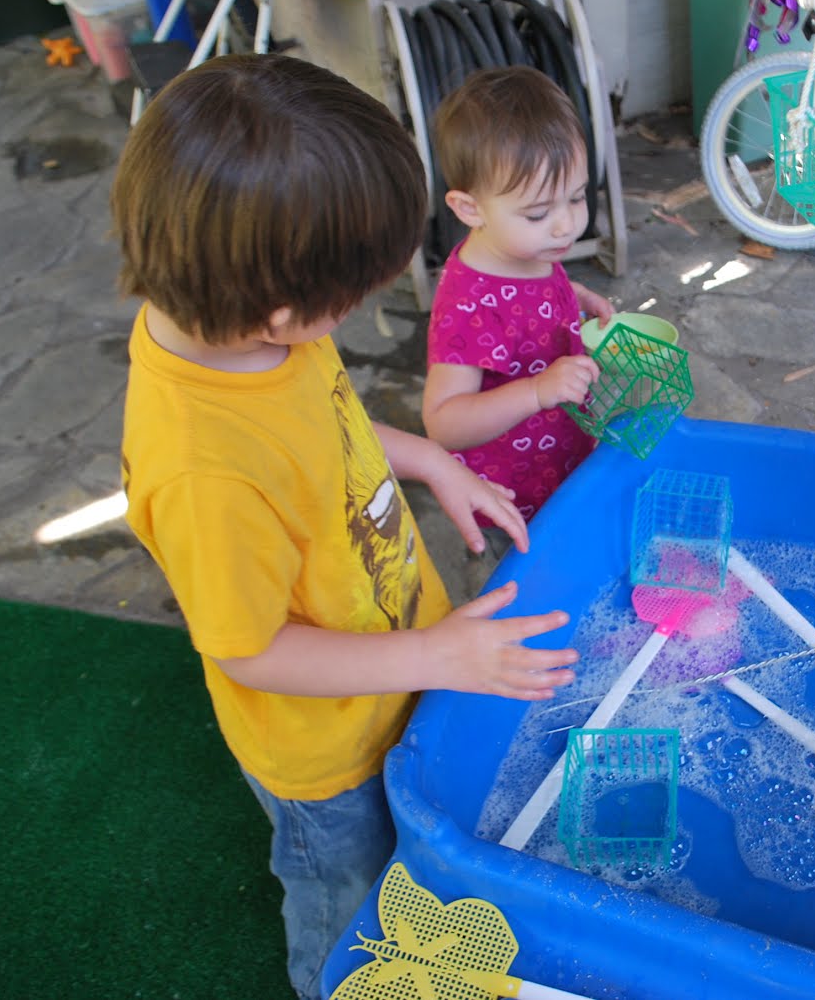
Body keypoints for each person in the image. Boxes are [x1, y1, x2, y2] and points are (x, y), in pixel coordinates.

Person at [110, 54, 579, 1000]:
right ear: (280, 309)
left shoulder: (245, 324)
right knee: (346, 895)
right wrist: (442, 658)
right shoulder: (206, 469)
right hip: (322, 754)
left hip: (393, 655)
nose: (357, 311)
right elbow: (252, 651)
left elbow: (329, 416)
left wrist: (432, 458)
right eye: (354, 293)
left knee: (413, 850)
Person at [421, 66, 616, 540]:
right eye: (538, 212)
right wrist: (536, 391)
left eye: (576, 197)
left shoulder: (528, 247)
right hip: (510, 495)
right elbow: (442, 421)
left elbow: (539, 292)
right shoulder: (469, 303)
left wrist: (576, 297)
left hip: (562, 458)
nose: (566, 226)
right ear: (470, 209)